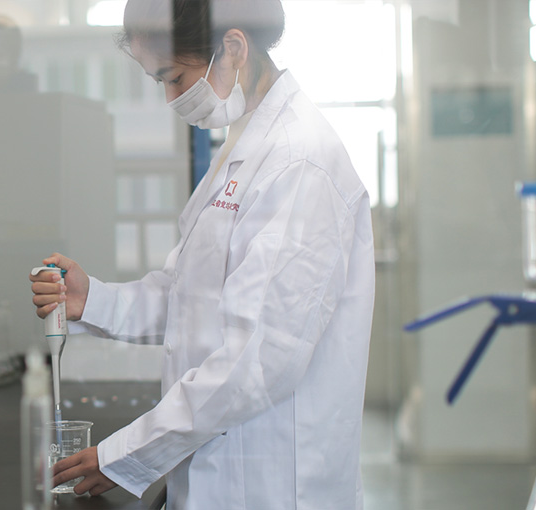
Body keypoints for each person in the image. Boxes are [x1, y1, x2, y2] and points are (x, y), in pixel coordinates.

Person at [30, 0, 375, 508]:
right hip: (218, 470)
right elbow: (192, 296)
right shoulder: (244, 146)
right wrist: (93, 300)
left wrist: (125, 454)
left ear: (233, 47)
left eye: (174, 78)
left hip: (272, 485)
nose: (171, 98)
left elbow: (258, 360)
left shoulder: (300, 161)